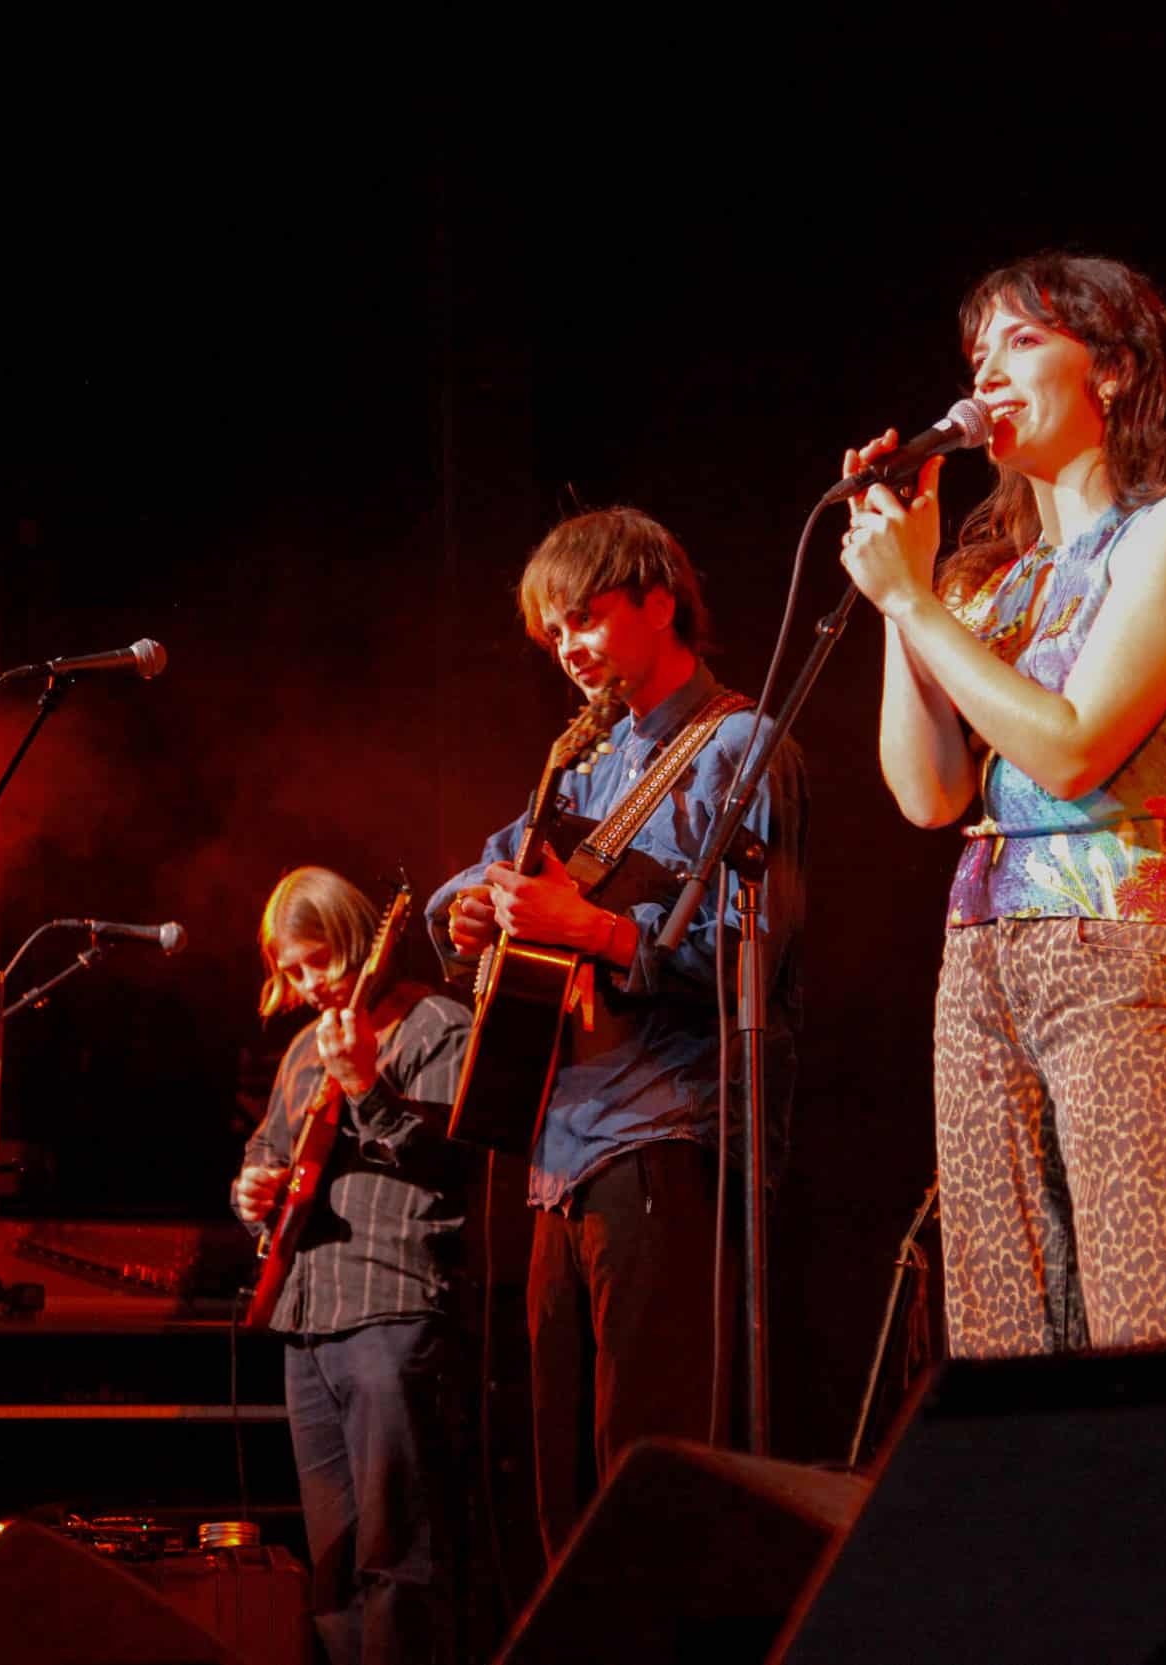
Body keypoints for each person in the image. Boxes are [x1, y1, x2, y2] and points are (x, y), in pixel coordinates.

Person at [838, 252, 1166, 1358]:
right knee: (1004, 1336)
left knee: (1149, 1316)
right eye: (976, 353)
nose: (987, 372)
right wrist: (906, 594)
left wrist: (913, 604)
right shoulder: (990, 579)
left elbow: (1073, 751)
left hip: (1127, 952)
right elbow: (928, 793)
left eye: (1023, 342)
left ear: (1113, 370)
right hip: (980, 961)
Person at [426, 507, 806, 1558]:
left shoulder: (739, 745)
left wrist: (588, 927)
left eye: (585, 619)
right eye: (554, 634)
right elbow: (493, 862)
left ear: (658, 601)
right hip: (562, 1151)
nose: (570, 648)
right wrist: (468, 909)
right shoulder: (586, 759)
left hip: (666, 1135)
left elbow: (750, 957)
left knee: (646, 1461)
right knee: (563, 1478)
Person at [233, 866, 474, 1665]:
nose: (309, 985)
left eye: (319, 962)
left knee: (399, 1556)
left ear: (358, 941)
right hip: (307, 1324)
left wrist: (366, 1083)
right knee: (333, 1569)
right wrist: (252, 1188)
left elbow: (457, 1159)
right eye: (293, 970)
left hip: (392, 1315)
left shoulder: (436, 1024)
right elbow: (266, 1154)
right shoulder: (303, 1048)